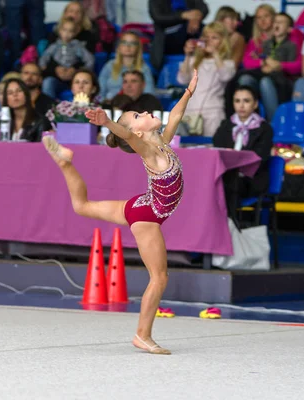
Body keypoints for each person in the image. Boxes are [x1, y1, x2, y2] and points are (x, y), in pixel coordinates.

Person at [42, 70, 199, 355]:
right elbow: (126, 134)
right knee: (160, 277)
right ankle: (142, 335)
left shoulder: (161, 142)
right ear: (138, 131)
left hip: (142, 204)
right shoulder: (147, 150)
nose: (144, 112)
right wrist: (109, 123)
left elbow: (175, 115)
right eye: (138, 115)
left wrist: (187, 93)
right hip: (148, 216)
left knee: (82, 206)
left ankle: (65, 164)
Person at [213, 86, 272, 220]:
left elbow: (260, 158)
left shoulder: (264, 129)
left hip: (251, 179)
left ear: (255, 104)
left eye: (246, 101)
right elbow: (217, 151)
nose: (241, 105)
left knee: (229, 184)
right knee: (210, 183)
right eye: (237, 101)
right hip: (227, 176)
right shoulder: (226, 125)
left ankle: (230, 228)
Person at [177, 22, 236, 137]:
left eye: (214, 38)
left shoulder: (228, 63)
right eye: (206, 37)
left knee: (211, 147)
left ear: (223, 41)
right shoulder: (194, 61)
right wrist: (187, 56)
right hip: (191, 110)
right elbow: (182, 79)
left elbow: (226, 76)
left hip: (214, 112)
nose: (209, 41)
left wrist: (215, 54)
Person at [39, 16, 94, 99]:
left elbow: (90, 59)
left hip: (73, 78)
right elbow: (44, 58)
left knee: (80, 83)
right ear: (59, 31)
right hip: (56, 77)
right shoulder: (54, 45)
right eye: (64, 30)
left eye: (70, 31)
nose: (67, 34)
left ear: (75, 33)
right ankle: (49, 107)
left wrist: (80, 72)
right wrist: (45, 67)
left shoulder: (78, 46)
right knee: (48, 82)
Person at [149, 0, 209, 71]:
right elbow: (158, 17)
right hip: (168, 34)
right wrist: (183, 15)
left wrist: (195, 19)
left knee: (210, 33)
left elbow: (204, 8)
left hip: (191, 30)